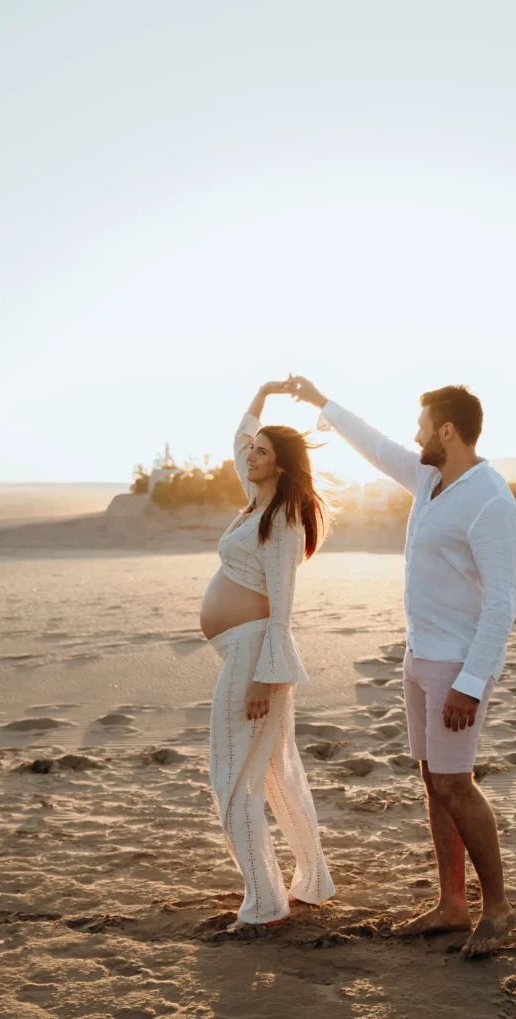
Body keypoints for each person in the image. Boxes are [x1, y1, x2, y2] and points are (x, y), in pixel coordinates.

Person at [289, 376, 516, 956]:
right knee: (432, 783)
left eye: (423, 426)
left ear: (448, 431)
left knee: (454, 784)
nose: (414, 436)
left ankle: (496, 910)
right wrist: (322, 404)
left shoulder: (491, 498)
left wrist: (469, 683)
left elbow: (502, 603)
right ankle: (452, 905)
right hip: (418, 656)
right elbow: (374, 444)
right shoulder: (429, 478)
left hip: (457, 666)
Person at [200, 379, 335, 929]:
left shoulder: (282, 518)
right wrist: (263, 393)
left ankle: (264, 903)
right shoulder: (256, 499)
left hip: (258, 655)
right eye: (252, 450)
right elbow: (238, 437)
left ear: (280, 466)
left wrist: (264, 677)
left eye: (262, 452)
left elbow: (283, 607)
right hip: (247, 651)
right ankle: (314, 881)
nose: (251, 455)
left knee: (231, 777)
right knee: (276, 773)